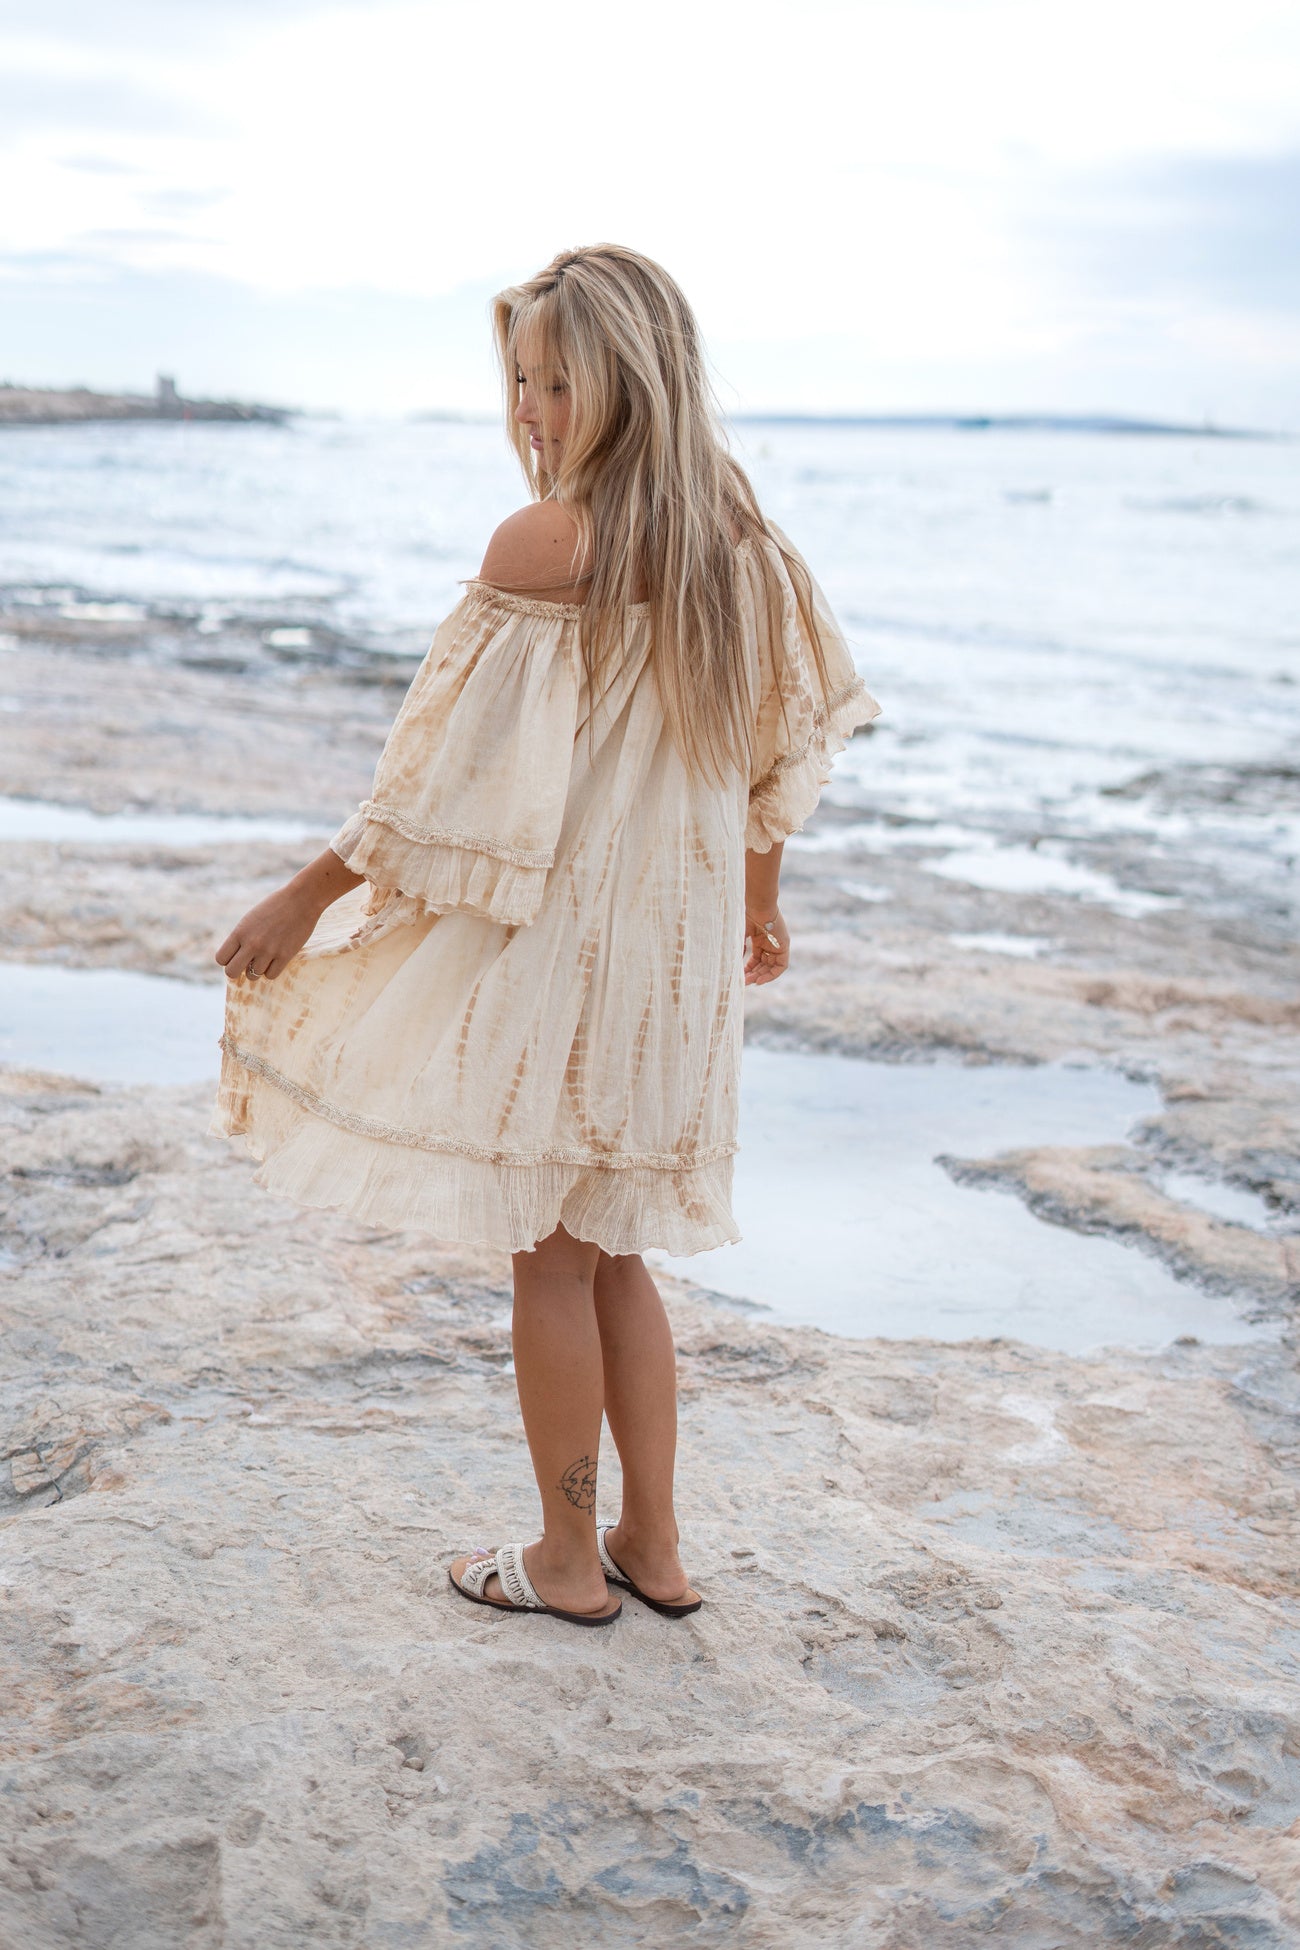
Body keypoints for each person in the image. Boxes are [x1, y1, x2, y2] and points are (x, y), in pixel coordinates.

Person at [211, 244, 880, 1628]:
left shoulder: (549, 546)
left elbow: (440, 783)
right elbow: (780, 755)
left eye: (560, 382)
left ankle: (568, 1559)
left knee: (554, 1257)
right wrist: (759, 901)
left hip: (570, 952)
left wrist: (308, 895)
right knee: (616, 1247)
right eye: (520, 380)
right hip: (676, 959)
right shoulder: (747, 545)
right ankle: (655, 1545)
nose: (531, 409)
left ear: (637, 379)